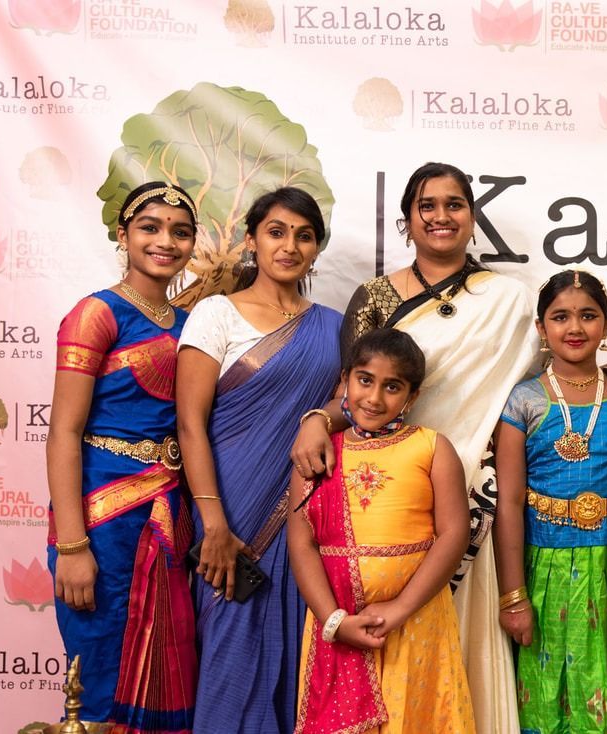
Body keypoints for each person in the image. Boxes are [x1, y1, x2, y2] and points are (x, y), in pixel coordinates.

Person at [291, 161, 607, 734]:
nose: (441, 216)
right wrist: (315, 418)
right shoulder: (375, 296)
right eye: (427, 205)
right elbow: (355, 390)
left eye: (454, 204)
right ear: (408, 219)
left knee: (462, 642)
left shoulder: (507, 300)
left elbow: (547, 374)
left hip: (475, 497)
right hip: (390, 500)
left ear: (472, 216)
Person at [176, 187, 343, 733]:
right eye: (276, 231)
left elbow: (348, 402)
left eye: (304, 235)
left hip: (303, 522)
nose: (290, 245)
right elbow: (190, 426)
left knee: (299, 670)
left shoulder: (333, 327)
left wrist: (321, 416)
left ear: (317, 247)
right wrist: (215, 525)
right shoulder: (216, 314)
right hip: (230, 522)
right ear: (252, 239)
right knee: (229, 666)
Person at [46, 181, 198, 731]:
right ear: (123, 235)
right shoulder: (96, 314)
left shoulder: (190, 325)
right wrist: (71, 545)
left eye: (180, 232)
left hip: (169, 521)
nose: (166, 241)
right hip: (102, 522)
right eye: (150, 228)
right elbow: (63, 432)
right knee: (100, 685)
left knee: (168, 676)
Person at [289, 328, 475, 733]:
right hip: (337, 621)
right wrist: (333, 620)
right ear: (345, 380)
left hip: (415, 623)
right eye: (364, 380)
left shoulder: (431, 447)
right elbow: (301, 542)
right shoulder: (319, 451)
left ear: (413, 397)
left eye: (392, 387)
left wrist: (400, 608)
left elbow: (454, 534)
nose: (374, 398)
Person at [494, 270, 607, 734]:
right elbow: (510, 502)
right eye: (560, 317)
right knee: (551, 694)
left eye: (587, 316)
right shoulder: (524, 401)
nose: (574, 327)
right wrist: (514, 596)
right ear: (541, 328)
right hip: (547, 572)